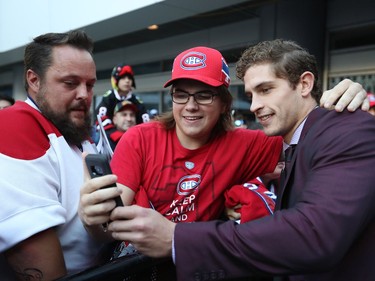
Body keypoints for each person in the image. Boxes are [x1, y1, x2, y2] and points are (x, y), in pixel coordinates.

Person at [78, 45, 370, 281]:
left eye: (204, 94)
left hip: (201, 266)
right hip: (142, 269)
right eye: (181, 94)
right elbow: (109, 228)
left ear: (224, 103)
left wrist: (347, 102)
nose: (190, 105)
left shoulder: (249, 143)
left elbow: (311, 136)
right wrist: (92, 222)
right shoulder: (139, 138)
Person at [0, 30, 107, 281]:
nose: (84, 94)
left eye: (90, 84)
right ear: (34, 80)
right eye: (70, 83)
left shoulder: (74, 127)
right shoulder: (13, 124)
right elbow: (40, 266)